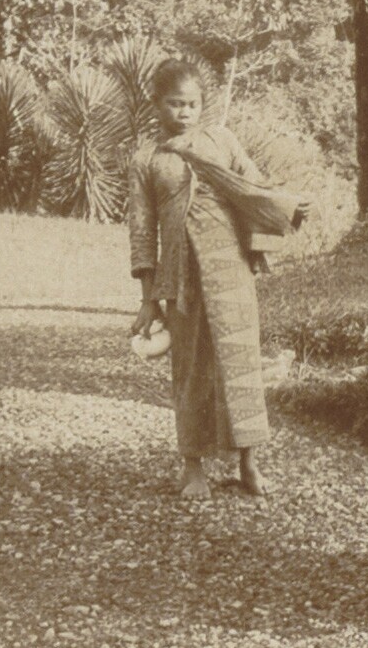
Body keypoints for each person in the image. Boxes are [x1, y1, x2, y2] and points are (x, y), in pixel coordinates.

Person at [128, 59, 309, 499]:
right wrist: (149, 299)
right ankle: (192, 467)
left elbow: (253, 187)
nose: (184, 112)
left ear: (202, 104)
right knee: (190, 368)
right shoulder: (147, 158)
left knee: (240, 364)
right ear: (156, 103)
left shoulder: (222, 141)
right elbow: (141, 229)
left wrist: (286, 205)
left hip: (231, 268)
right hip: (182, 274)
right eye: (175, 103)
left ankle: (249, 463)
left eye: (192, 104)